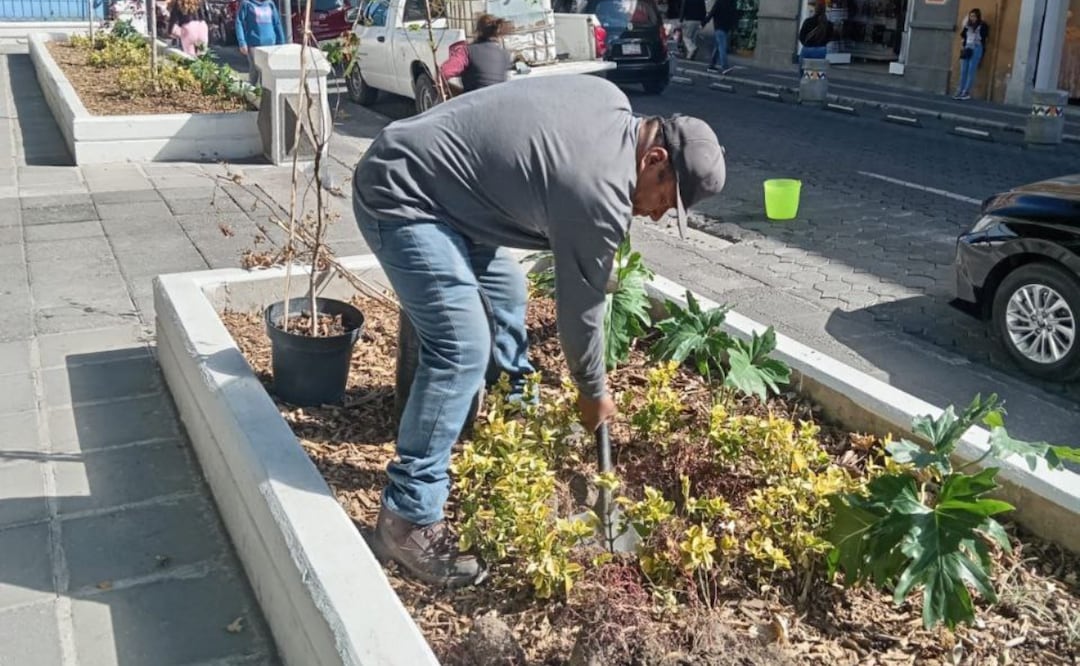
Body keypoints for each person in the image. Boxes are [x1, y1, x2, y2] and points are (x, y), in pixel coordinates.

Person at [352, 75, 727, 587]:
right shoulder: (599, 191)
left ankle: (516, 420)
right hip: (403, 193)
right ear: (654, 159)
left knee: (507, 293)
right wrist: (593, 393)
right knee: (461, 347)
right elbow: (581, 313)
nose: (660, 215)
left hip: (457, 197)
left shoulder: (612, 100)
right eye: (668, 198)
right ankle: (407, 515)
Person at [439, 14, 513, 95]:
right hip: (499, 103)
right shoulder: (505, 55)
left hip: (474, 103)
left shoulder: (466, 51)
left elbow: (444, 73)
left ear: (478, 32)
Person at [235, 0, 286, 85]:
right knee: (255, 72)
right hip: (254, 44)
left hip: (271, 46)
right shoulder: (246, 4)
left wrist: (282, 42)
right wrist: (242, 42)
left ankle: (266, 96)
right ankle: (252, 94)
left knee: (267, 73)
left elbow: (277, 23)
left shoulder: (270, 4)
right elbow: (239, 22)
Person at [954, 9, 989, 100]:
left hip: (977, 47)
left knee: (971, 70)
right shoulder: (968, 25)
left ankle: (966, 92)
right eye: (971, 16)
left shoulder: (983, 25)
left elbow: (985, 37)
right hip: (967, 48)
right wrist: (963, 45)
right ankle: (960, 90)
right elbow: (963, 35)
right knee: (963, 70)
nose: (972, 18)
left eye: (974, 16)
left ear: (978, 16)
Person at [798, 0, 832, 76]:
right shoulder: (828, 24)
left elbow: (801, 36)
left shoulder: (808, 21)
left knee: (802, 69)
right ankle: (815, 83)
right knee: (817, 70)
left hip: (808, 48)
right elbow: (830, 37)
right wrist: (822, 43)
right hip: (821, 49)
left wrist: (806, 43)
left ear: (815, 9)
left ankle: (804, 83)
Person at [704, 0, 738, 73]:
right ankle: (725, 67)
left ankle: (712, 65)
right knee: (722, 47)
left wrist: (704, 22)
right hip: (724, 28)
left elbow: (712, 13)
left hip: (719, 27)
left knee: (718, 47)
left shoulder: (720, 2)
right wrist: (734, 27)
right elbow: (734, 15)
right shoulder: (732, 2)